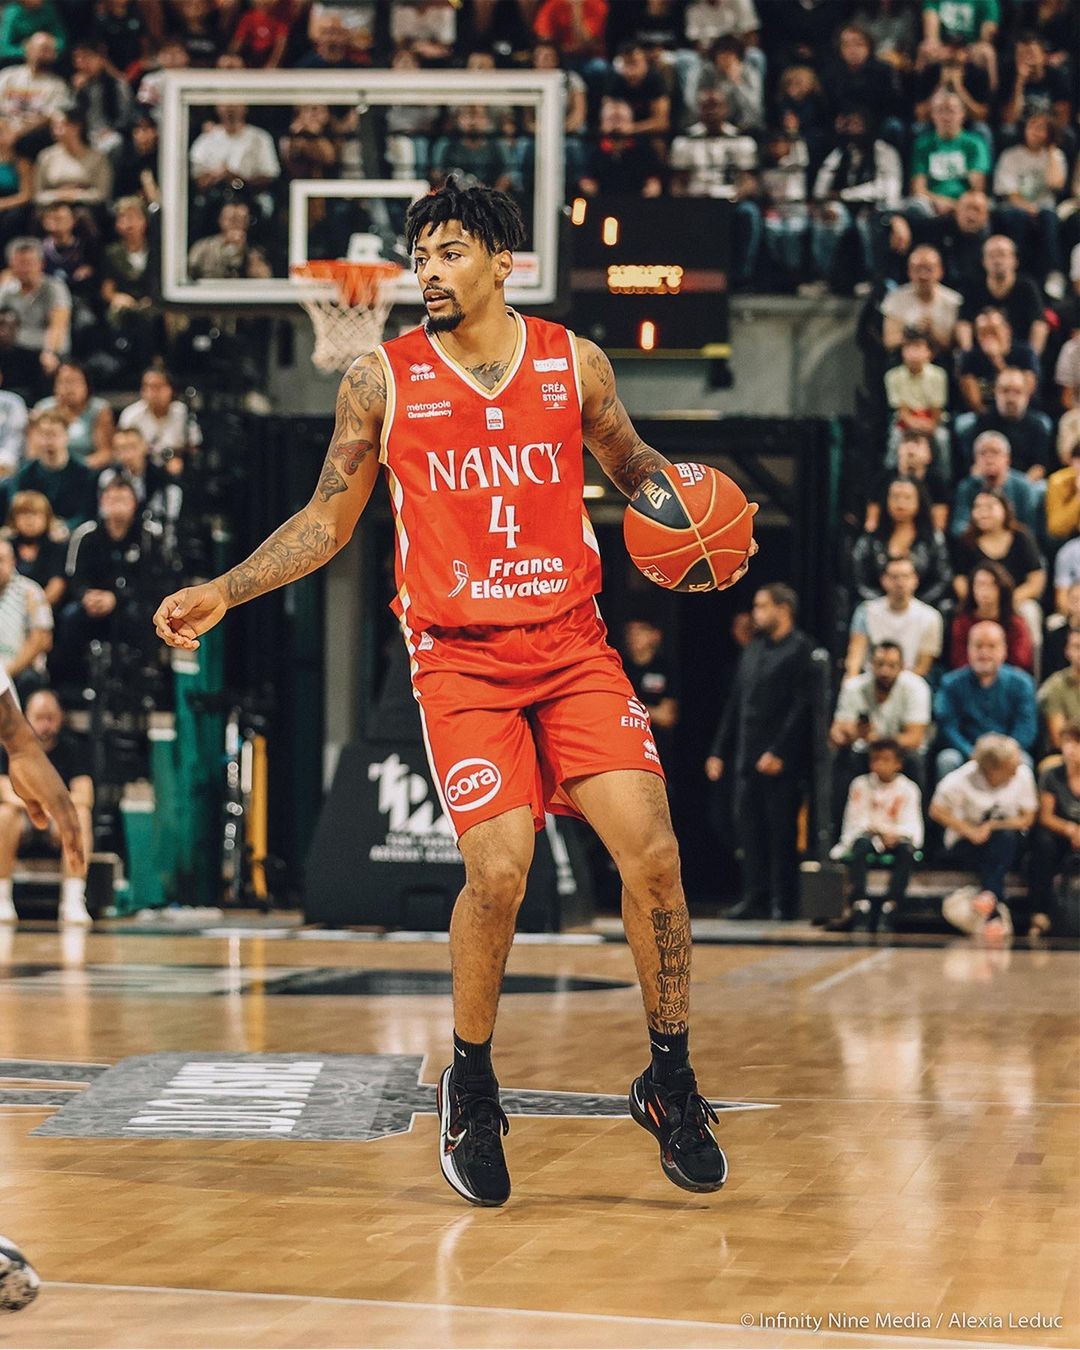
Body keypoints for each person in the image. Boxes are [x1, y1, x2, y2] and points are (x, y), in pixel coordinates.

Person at [154, 179, 756, 1207]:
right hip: (461, 660)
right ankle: (471, 1086)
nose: (427, 272)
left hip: (572, 646)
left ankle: (669, 1077)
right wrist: (225, 589)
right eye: (420, 257)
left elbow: (629, 461)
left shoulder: (574, 363)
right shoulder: (380, 379)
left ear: (501, 261)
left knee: (655, 857)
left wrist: (694, 516)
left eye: (448, 253)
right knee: (501, 871)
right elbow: (327, 518)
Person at [706, 584, 812, 923]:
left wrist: (780, 751)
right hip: (746, 755)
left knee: (781, 832)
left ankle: (784, 900)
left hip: (780, 760)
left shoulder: (801, 650)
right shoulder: (753, 650)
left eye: (762, 606)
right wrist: (719, 751)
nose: (756, 614)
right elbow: (736, 704)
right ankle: (755, 897)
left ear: (783, 609)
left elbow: (801, 707)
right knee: (747, 830)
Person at [931, 734, 1038, 940]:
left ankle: (990, 900)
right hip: (966, 844)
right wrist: (968, 830)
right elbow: (936, 810)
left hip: (1007, 843)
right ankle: (995, 906)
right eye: (1012, 764)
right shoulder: (960, 779)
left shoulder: (1023, 774)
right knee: (996, 850)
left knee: (1004, 839)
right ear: (994, 768)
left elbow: (1028, 818)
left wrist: (993, 825)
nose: (1018, 766)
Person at [0, 685, 92, 925]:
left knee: (81, 815)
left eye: (51, 718)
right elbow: (5, 793)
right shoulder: (6, 747)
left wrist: (54, 806)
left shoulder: (73, 746)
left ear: (61, 718)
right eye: (39, 717)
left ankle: (73, 900)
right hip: (24, 817)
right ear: (25, 717)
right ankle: (1, 898)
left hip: (54, 820)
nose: (45, 725)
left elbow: (85, 795)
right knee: (4, 814)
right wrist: (45, 800)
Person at [831, 738, 923, 932]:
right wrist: (880, 832)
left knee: (907, 850)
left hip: (897, 838)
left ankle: (892, 905)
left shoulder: (908, 788)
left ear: (898, 763)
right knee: (860, 845)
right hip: (869, 837)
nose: (879, 764)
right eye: (875, 759)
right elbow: (855, 820)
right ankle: (860, 904)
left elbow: (913, 826)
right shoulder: (860, 784)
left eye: (886, 759)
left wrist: (895, 835)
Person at [934, 621, 1038, 780]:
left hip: (1007, 752)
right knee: (947, 760)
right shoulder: (951, 683)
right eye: (978, 646)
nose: (984, 653)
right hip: (967, 752)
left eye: (991, 646)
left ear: (1004, 649)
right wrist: (970, 753)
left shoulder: (1022, 683)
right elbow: (948, 727)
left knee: (1024, 762)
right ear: (968, 649)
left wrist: (1005, 754)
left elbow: (1026, 727)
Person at [951, 486, 1045, 658]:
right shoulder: (966, 541)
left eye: (989, 507)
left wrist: (1007, 599)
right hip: (978, 602)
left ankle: (1032, 667)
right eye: (978, 507)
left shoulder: (1021, 537)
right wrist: (976, 599)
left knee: (1030, 611)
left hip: (1015, 600)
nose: (983, 512)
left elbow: (1036, 579)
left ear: (1005, 509)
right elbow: (959, 579)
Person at [830, 639, 931, 779]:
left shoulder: (916, 687)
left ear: (902, 667)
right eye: (880, 664)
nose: (885, 671)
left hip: (900, 751)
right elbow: (837, 734)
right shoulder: (853, 687)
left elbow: (914, 738)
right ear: (871, 664)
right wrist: (855, 732)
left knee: (913, 758)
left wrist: (878, 740)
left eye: (891, 665)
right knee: (843, 755)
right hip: (865, 751)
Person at [850, 480, 952, 609]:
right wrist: (885, 605)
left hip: (922, 610)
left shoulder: (933, 539)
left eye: (907, 497)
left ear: (919, 501)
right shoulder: (871, 539)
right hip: (877, 609)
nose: (901, 503)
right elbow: (858, 580)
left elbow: (943, 579)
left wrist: (911, 606)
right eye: (895, 497)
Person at [846, 555, 943, 679]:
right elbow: (855, 655)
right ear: (884, 580)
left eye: (905, 576)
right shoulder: (866, 611)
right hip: (871, 680)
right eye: (894, 577)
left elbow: (923, 667)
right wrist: (851, 681)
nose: (900, 583)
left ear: (915, 580)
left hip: (910, 681)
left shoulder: (931, 617)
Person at [954, 366, 1053, 479]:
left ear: (1027, 395)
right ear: (996, 392)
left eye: (1017, 392)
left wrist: (1019, 486)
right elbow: (974, 466)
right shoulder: (982, 422)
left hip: (1025, 483)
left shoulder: (1037, 426)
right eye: (1005, 391)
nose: (1011, 398)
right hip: (989, 481)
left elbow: (1040, 467)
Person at [955, 234, 1047, 356]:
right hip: (982, 352)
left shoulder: (1027, 287)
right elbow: (963, 323)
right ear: (984, 261)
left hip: (1019, 350)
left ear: (1015, 260)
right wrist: (968, 353)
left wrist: (1032, 357)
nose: (997, 261)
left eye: (1002, 255)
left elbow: (1039, 324)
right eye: (992, 256)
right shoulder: (973, 287)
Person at [4, 408, 96, 529]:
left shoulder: (84, 473)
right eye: (44, 434)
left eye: (54, 434)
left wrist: (66, 527)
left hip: (69, 533)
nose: (48, 441)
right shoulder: (25, 474)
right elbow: (16, 511)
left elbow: (86, 513)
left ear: (66, 436)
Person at [0, 236, 69, 391]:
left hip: (47, 349)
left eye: (29, 263)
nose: (25, 269)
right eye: (19, 263)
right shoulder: (7, 290)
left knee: (48, 363)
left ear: (41, 264)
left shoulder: (54, 287)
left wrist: (49, 352)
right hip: (17, 351)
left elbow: (58, 325)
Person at [1029, 722, 1080, 933]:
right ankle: (1039, 913)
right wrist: (1071, 830)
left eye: (1077, 743)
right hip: (1062, 835)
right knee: (1043, 842)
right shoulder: (1051, 774)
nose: (1071, 748)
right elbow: (1046, 816)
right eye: (1067, 742)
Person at [909, 90, 989, 216]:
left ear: (962, 114)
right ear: (932, 114)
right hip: (932, 203)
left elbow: (977, 187)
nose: (946, 116)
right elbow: (918, 188)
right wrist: (938, 201)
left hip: (965, 204)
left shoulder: (974, 144)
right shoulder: (923, 145)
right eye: (940, 110)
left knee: (979, 203)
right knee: (917, 205)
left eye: (951, 111)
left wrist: (959, 206)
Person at [950, 560, 1033, 673]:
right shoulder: (962, 622)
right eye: (980, 584)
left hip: (1007, 679)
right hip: (970, 679)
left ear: (1002, 588)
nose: (985, 591)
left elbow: (1021, 661)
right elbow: (958, 660)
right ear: (972, 588)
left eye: (992, 585)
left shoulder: (1015, 623)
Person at [950, 433, 1040, 536]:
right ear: (975, 460)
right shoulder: (967, 487)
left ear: (1007, 458)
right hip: (978, 541)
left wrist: (1000, 531)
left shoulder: (1023, 487)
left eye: (995, 452)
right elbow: (958, 527)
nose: (989, 459)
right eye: (983, 453)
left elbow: (1031, 528)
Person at [880, 244, 961, 355]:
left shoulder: (954, 301)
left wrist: (931, 331)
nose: (923, 275)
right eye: (917, 269)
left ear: (940, 271)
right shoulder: (895, 298)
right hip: (903, 358)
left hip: (943, 358)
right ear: (909, 272)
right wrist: (914, 331)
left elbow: (953, 345)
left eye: (929, 269)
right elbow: (889, 342)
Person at [883, 329, 948, 464]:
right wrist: (913, 425)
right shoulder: (892, 376)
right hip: (905, 421)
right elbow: (902, 411)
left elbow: (937, 410)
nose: (913, 353)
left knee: (942, 439)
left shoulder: (938, 375)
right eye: (908, 348)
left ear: (928, 352)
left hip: (931, 420)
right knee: (895, 438)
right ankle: (891, 471)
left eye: (918, 347)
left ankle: (944, 475)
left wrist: (929, 426)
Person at [117, 367, 199, 473]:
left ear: (170, 389)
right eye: (146, 386)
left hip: (175, 466)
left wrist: (179, 458)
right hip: (142, 469)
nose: (150, 392)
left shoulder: (182, 412)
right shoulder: (131, 415)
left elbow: (194, 446)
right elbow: (120, 448)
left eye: (156, 387)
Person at [34, 360, 113, 466]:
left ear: (86, 384)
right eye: (64, 381)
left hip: (86, 467)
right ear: (55, 386)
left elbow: (105, 453)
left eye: (74, 381)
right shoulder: (43, 408)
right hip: (50, 466)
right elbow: (34, 451)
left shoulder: (99, 410)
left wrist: (77, 468)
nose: (69, 387)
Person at [620, 618, 678, 764]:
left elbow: (667, 717)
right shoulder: (618, 668)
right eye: (630, 632)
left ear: (655, 635)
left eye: (640, 631)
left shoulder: (665, 670)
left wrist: (631, 708)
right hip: (625, 745)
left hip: (656, 750)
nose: (633, 637)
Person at [32, 108, 113, 208]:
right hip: (53, 207)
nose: (56, 131)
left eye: (61, 125)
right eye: (54, 126)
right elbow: (38, 194)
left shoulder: (97, 157)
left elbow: (102, 193)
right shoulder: (47, 156)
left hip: (86, 208)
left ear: (76, 127)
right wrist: (59, 195)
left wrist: (76, 195)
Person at [0, 535, 51, 694]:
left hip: (21, 671)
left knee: (29, 680)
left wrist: (5, 674)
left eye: (1, 560)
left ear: (13, 562)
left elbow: (42, 640)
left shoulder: (30, 591)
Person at [6, 488, 65, 605]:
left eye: (35, 514)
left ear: (47, 518)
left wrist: (37, 606)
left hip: (45, 607)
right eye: (23, 514)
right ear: (14, 518)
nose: (29, 520)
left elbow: (57, 584)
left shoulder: (56, 547)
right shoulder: (6, 546)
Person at [187, 200, 272, 281]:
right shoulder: (203, 247)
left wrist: (253, 263)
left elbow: (265, 278)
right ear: (220, 220)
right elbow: (187, 272)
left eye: (241, 219)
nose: (236, 223)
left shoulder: (255, 250)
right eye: (231, 219)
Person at [1038, 630, 1080, 752]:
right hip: (1069, 753)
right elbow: (1058, 739)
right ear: (1067, 651)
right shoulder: (1055, 685)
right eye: (1077, 647)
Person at [1045, 441, 1080, 542]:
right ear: (1072, 462)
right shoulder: (1058, 482)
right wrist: (1078, 497)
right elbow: (1056, 528)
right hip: (1069, 540)